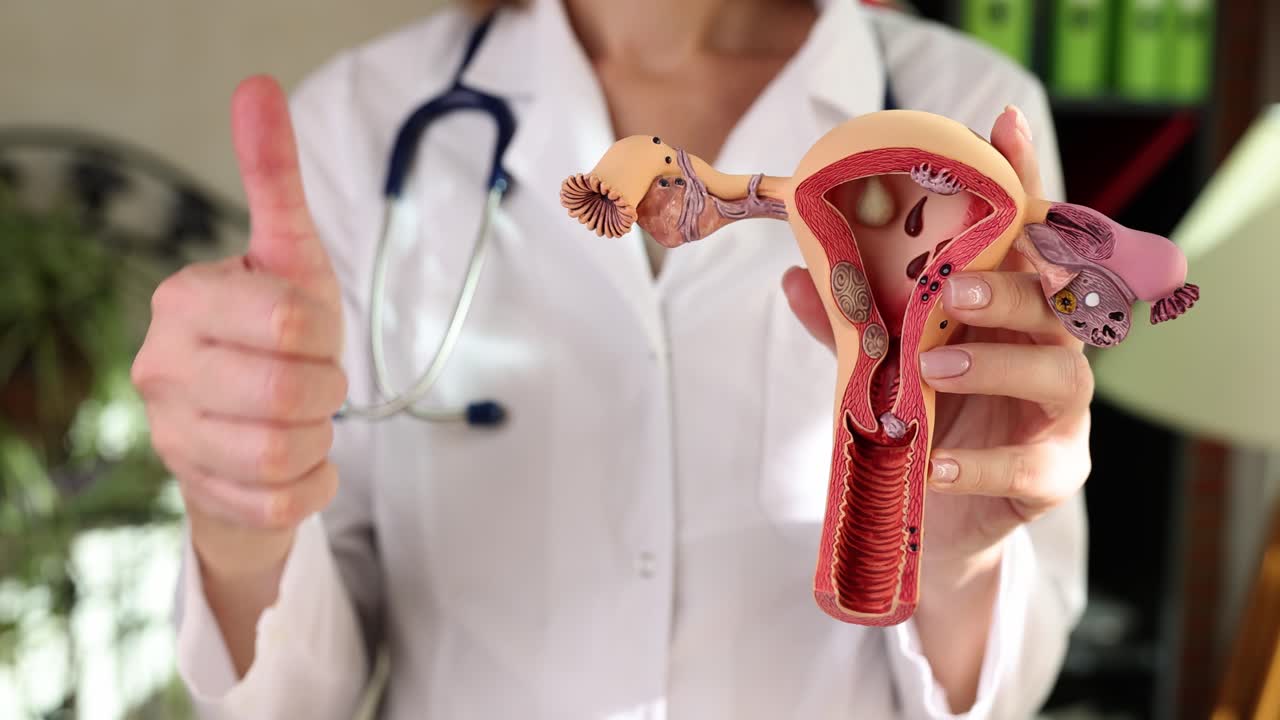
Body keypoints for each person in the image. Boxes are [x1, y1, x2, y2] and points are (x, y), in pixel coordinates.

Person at [131, 0, 1091, 717]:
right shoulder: (361, 122)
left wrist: (957, 567)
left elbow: (1000, 692)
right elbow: (289, 700)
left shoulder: (964, 115)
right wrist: (241, 520)